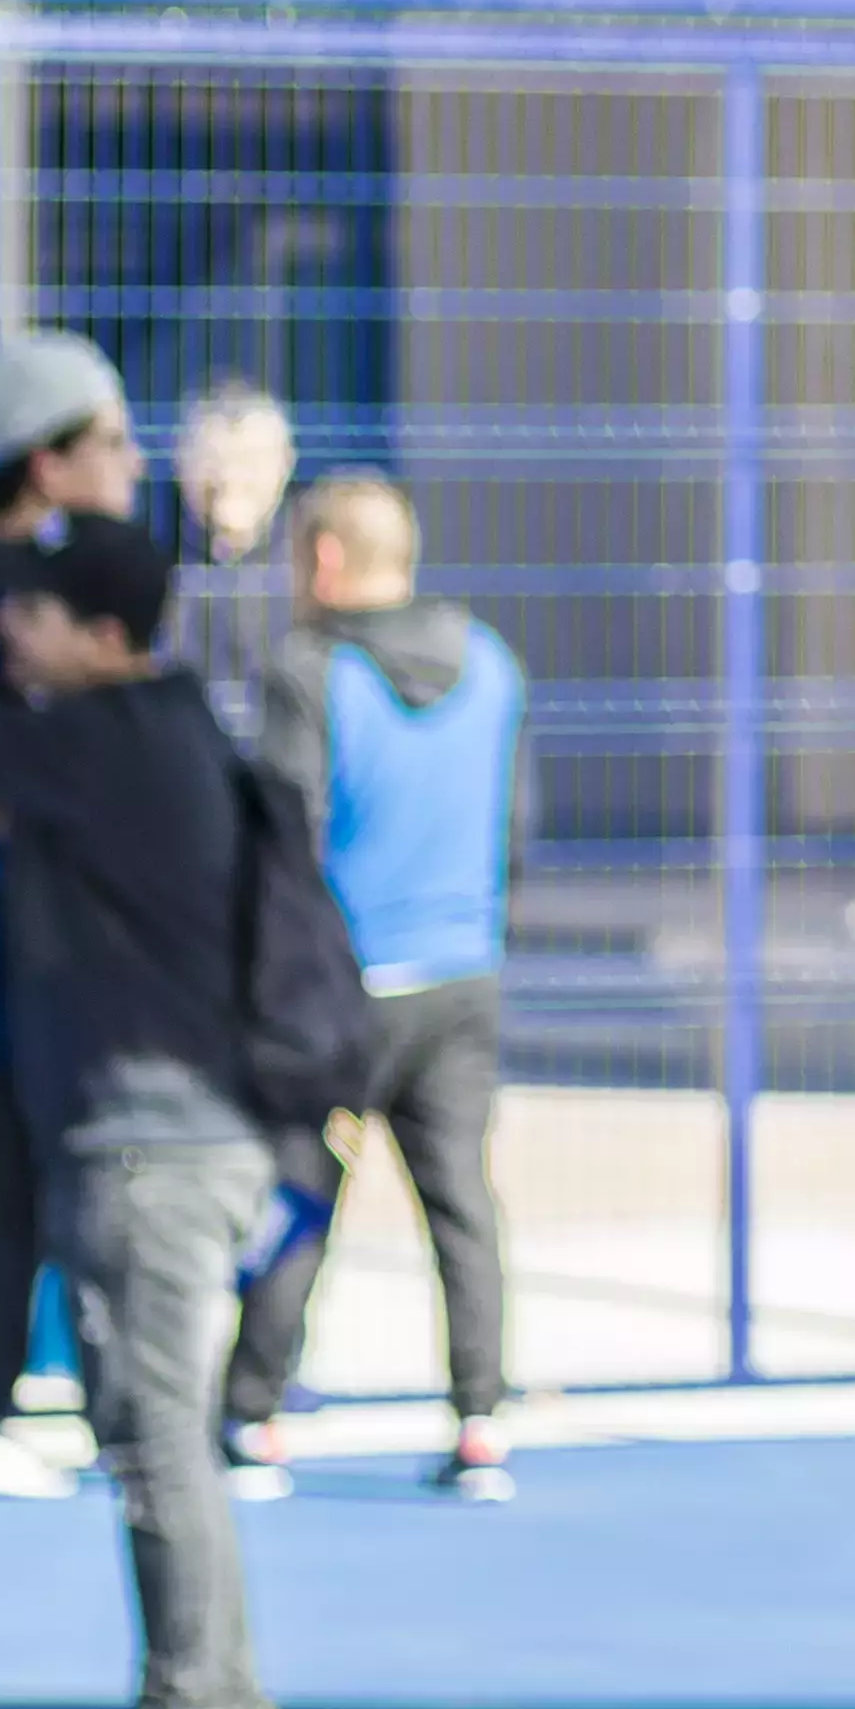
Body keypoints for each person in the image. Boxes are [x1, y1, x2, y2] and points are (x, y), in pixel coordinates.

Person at [0, 505, 332, 1709]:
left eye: (31, 614)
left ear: (104, 637)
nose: (5, 629)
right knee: (164, 1436)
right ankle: (229, 1707)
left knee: (154, 1441)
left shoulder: (102, 740)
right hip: (182, 1138)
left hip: (148, 1147)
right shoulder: (148, 733)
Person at [0, 328, 147, 1709]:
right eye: (116, 444)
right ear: (54, 460)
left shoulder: (69, 616)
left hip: (25, 1041)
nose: (135, 469)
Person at [226, 469, 532, 1501]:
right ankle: (481, 1421)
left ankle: (254, 1415)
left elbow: (284, 840)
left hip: (347, 989)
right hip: (464, 976)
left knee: (303, 1197)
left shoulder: (309, 672)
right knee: (463, 1206)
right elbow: (517, 827)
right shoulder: (492, 663)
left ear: (320, 558)